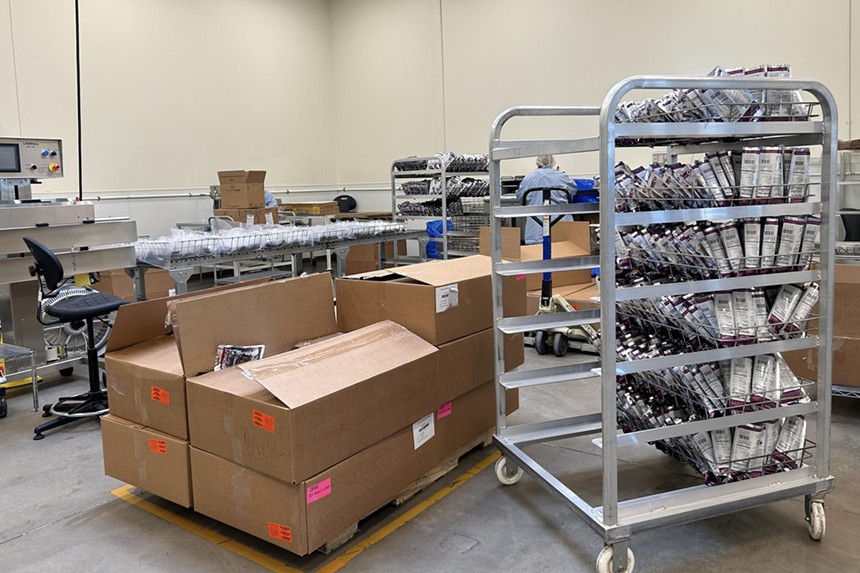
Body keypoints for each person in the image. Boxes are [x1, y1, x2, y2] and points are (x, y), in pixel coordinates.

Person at [515, 155, 578, 244]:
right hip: (562, 224)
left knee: (536, 255)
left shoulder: (528, 178)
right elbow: (573, 191)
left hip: (536, 227)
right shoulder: (561, 176)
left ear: (537, 163)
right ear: (552, 162)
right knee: (564, 252)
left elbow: (521, 198)